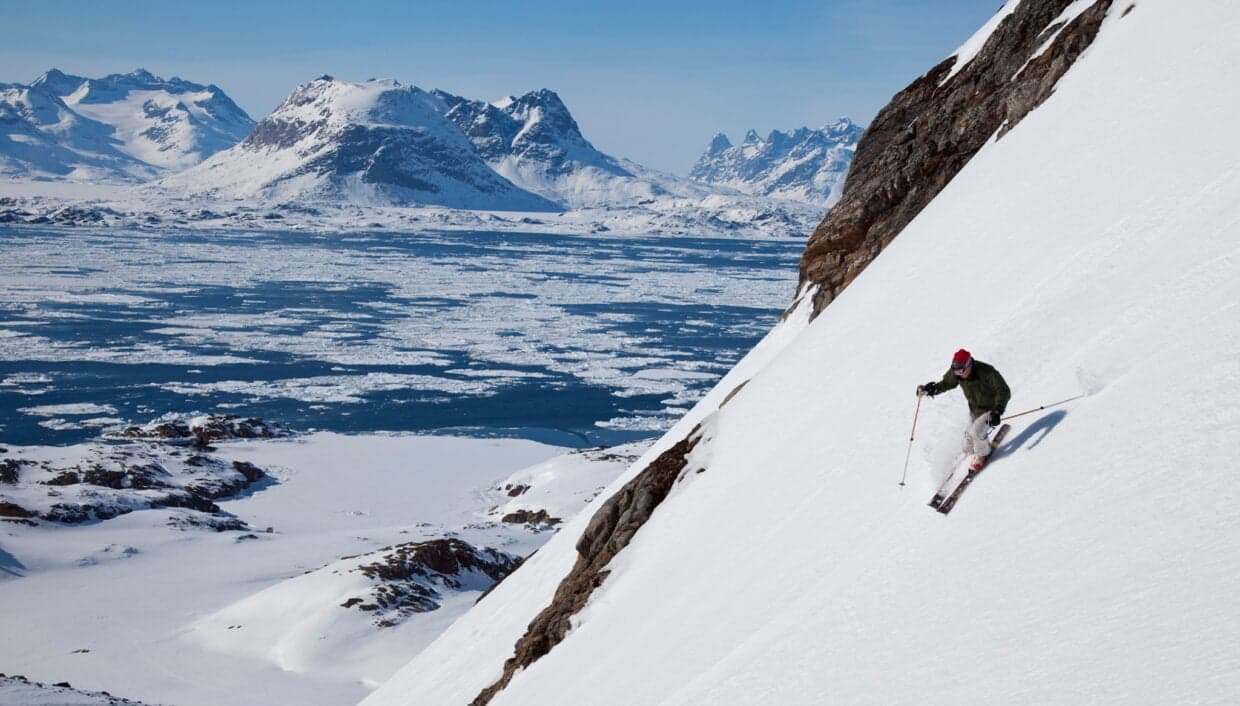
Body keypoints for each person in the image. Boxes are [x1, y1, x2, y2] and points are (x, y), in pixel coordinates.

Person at [917, 349, 1011, 471]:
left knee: (976, 432)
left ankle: (982, 454)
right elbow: (947, 383)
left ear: (969, 364)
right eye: (955, 371)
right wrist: (933, 389)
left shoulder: (987, 372)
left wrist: (998, 410)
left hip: (991, 409)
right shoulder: (958, 372)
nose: (958, 374)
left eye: (960, 371)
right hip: (974, 409)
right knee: (967, 445)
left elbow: (1004, 390)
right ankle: (969, 455)